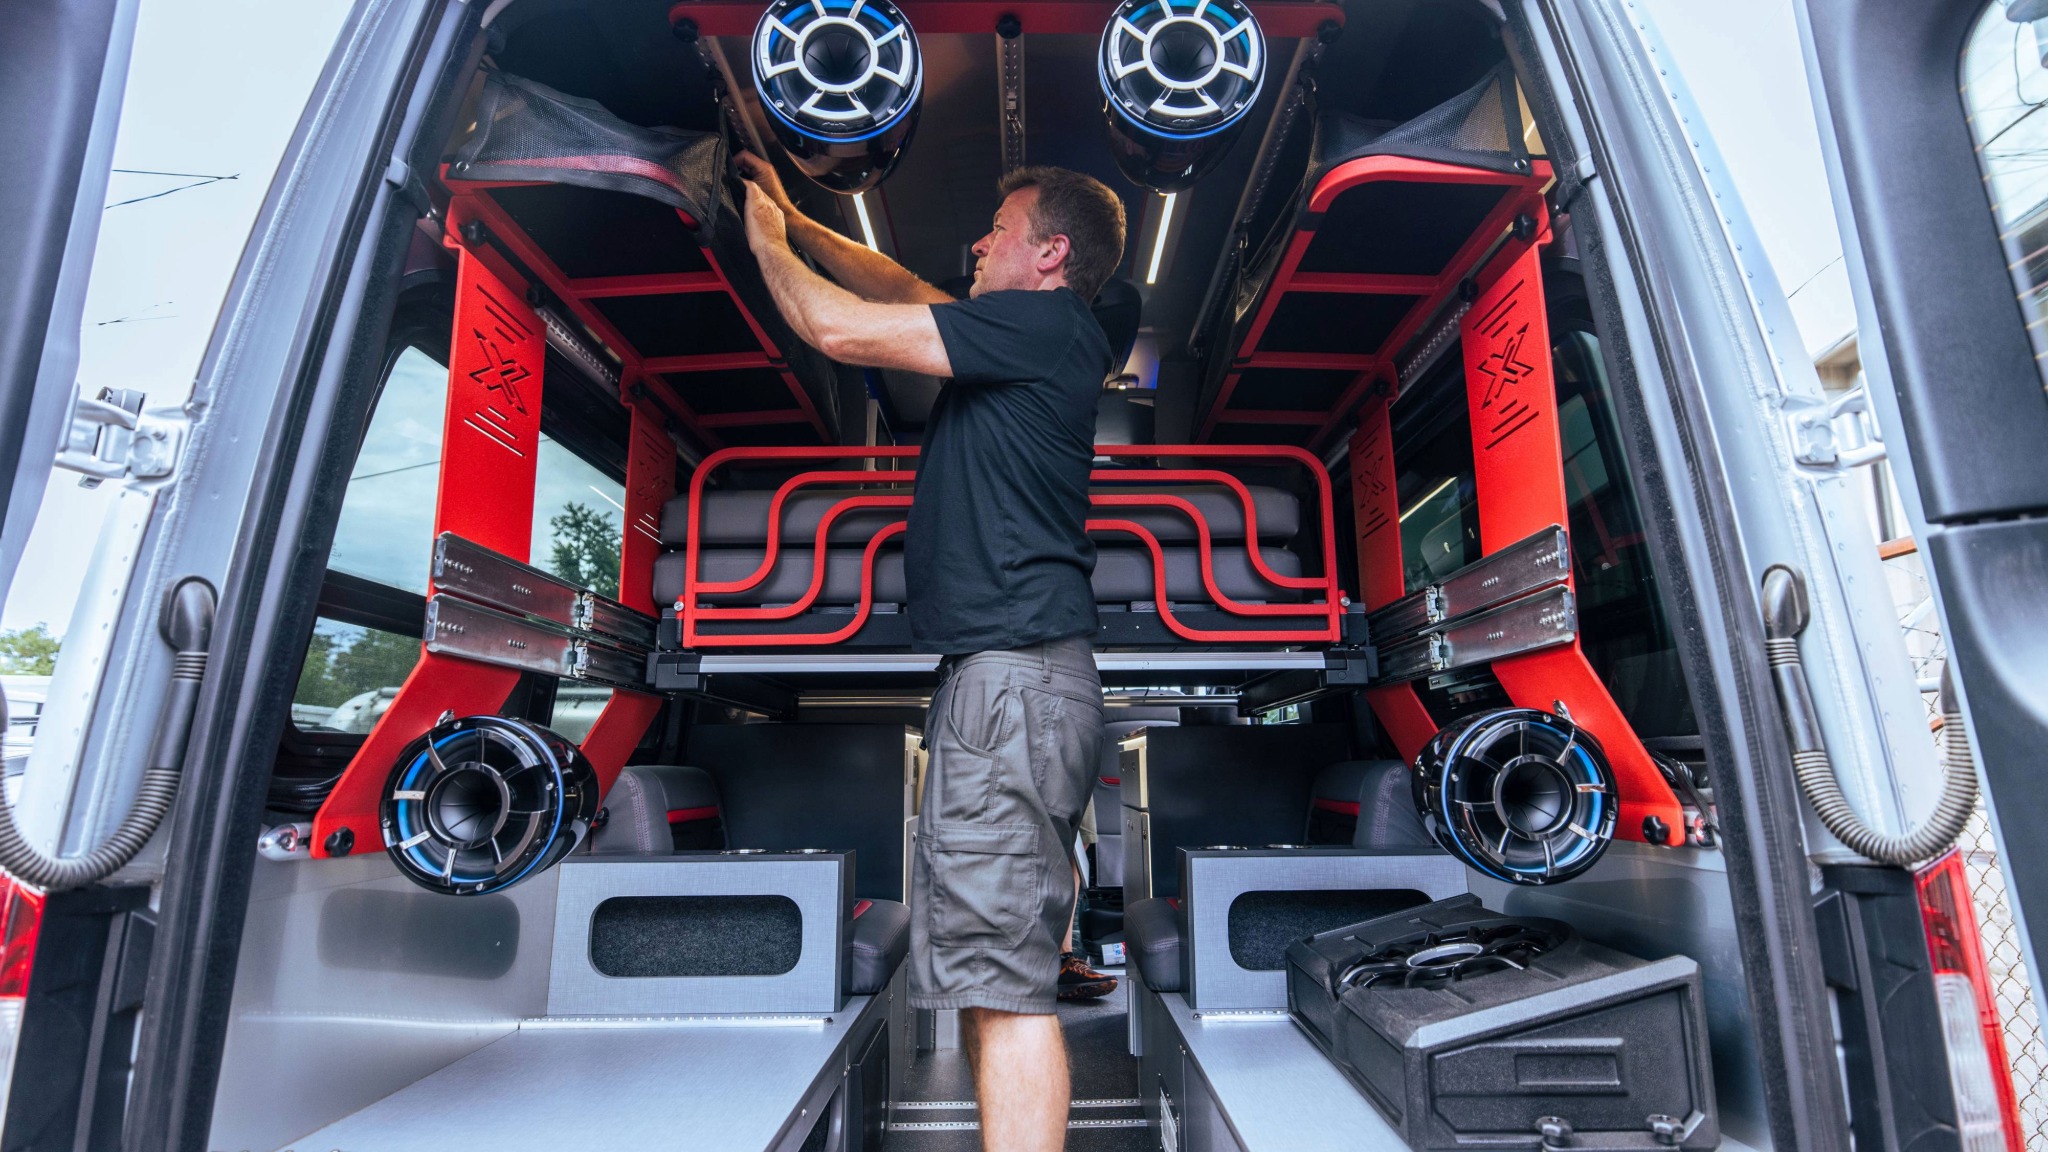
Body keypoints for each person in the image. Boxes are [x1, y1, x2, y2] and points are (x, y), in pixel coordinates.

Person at [737, 152, 1125, 1152]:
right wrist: (799, 212)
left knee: (1004, 994)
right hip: (1023, 678)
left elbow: (831, 324)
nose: (978, 243)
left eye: (998, 229)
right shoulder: (1040, 331)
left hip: (1011, 678)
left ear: (1050, 253)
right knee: (1006, 981)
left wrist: (764, 237)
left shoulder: (1038, 325)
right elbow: (902, 289)